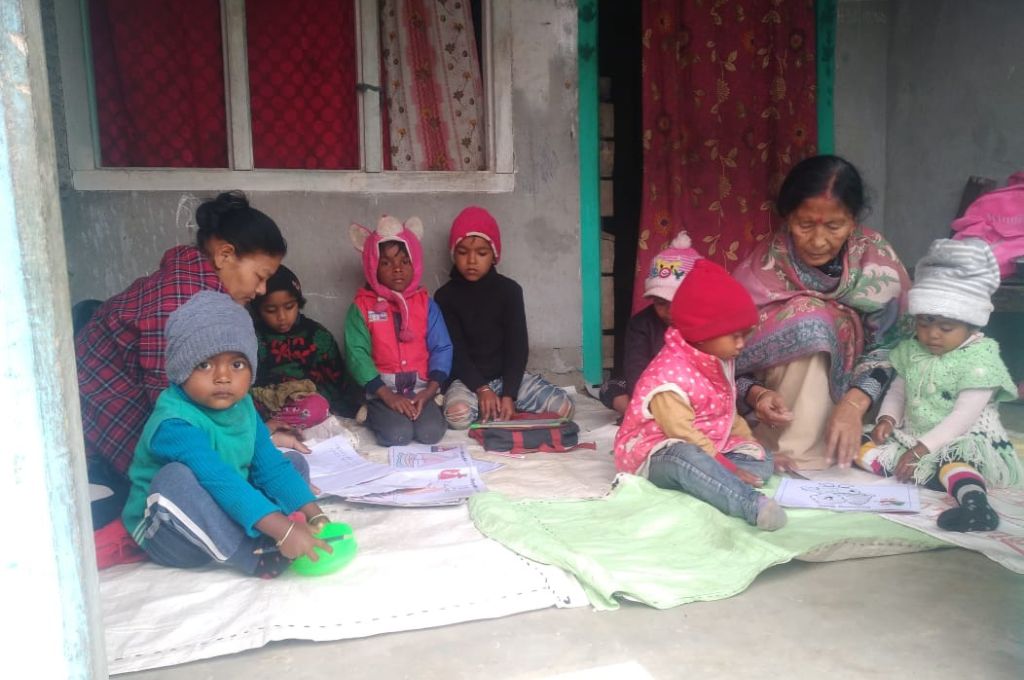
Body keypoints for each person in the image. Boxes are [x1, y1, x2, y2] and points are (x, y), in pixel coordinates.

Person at [76, 191, 306, 479]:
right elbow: (175, 409)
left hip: (129, 404)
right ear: (224, 255)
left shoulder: (196, 286)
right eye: (260, 276)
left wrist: (255, 432)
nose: (261, 290)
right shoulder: (182, 302)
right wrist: (249, 445)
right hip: (99, 419)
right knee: (195, 485)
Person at [122, 291, 333, 578]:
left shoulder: (242, 405)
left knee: (292, 463)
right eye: (205, 364)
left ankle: (275, 526)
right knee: (174, 478)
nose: (223, 377)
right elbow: (218, 479)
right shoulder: (173, 422)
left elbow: (268, 464)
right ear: (181, 369)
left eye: (237, 364)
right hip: (173, 532)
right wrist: (282, 531)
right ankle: (252, 553)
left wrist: (316, 516)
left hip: (223, 502)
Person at [733, 155, 910, 471]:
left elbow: (896, 348)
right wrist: (756, 394)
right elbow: (725, 355)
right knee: (811, 319)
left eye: (834, 225)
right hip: (768, 411)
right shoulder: (763, 267)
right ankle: (788, 451)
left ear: (853, 220)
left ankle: (839, 446)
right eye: (805, 225)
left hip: (864, 400)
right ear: (787, 218)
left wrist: (855, 403)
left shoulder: (875, 259)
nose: (817, 241)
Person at [857, 239, 1022, 532]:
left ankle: (975, 505)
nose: (932, 335)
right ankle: (931, 476)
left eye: (946, 328)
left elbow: (962, 419)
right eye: (924, 323)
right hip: (915, 437)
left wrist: (921, 450)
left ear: (972, 325)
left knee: (954, 461)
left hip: (964, 440)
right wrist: (886, 419)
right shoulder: (912, 349)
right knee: (861, 445)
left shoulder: (980, 358)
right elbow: (898, 390)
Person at [614, 259, 787, 531]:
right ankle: (750, 505)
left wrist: (748, 443)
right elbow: (681, 433)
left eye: (745, 335)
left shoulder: (719, 358)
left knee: (761, 455)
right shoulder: (668, 375)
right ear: (703, 334)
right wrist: (726, 468)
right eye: (735, 337)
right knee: (685, 458)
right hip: (658, 452)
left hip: (709, 444)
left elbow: (729, 414)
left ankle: (710, 483)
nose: (742, 345)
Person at [434, 206, 575, 428]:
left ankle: (501, 404)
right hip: (467, 381)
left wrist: (509, 393)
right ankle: (488, 403)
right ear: (454, 253)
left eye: (481, 253)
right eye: (462, 252)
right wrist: (481, 388)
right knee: (456, 416)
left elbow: (517, 347)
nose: (471, 261)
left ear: (494, 255)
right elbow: (456, 352)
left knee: (563, 408)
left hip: (507, 378)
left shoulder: (510, 291)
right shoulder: (445, 296)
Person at [345, 216, 452, 446]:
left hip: (422, 391)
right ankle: (371, 409)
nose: (397, 269)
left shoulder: (426, 305)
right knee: (398, 434)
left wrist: (430, 391)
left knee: (430, 433)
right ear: (372, 266)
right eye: (386, 263)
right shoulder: (362, 307)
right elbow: (357, 354)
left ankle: (430, 403)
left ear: (415, 263)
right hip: (382, 393)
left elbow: (441, 347)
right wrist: (387, 396)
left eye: (405, 261)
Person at [599, 231, 701, 415]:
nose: (669, 311)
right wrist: (657, 404)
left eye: (678, 301)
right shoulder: (642, 324)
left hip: (699, 392)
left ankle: (646, 416)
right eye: (661, 303)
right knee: (610, 387)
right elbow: (636, 372)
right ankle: (647, 416)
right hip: (653, 388)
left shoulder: (708, 324)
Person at [250, 264, 358, 426]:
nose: (282, 317)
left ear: (298, 303)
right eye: (271, 310)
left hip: (304, 405)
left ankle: (271, 426)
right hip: (266, 404)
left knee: (316, 407)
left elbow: (337, 384)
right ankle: (269, 426)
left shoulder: (317, 336)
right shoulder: (253, 337)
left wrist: (303, 391)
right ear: (258, 310)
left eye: (289, 307)